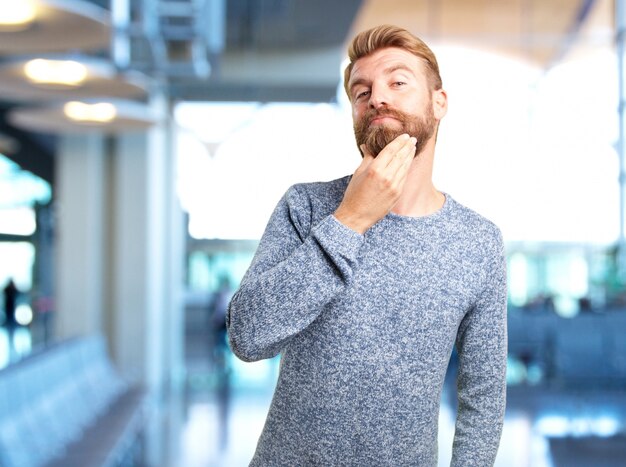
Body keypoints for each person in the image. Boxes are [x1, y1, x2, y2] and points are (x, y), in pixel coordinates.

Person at [226, 24, 507, 467]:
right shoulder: (306, 206)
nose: (377, 97)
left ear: (439, 103)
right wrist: (350, 220)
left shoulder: (480, 242)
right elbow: (248, 337)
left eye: (398, 82)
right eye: (362, 91)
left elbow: (484, 393)